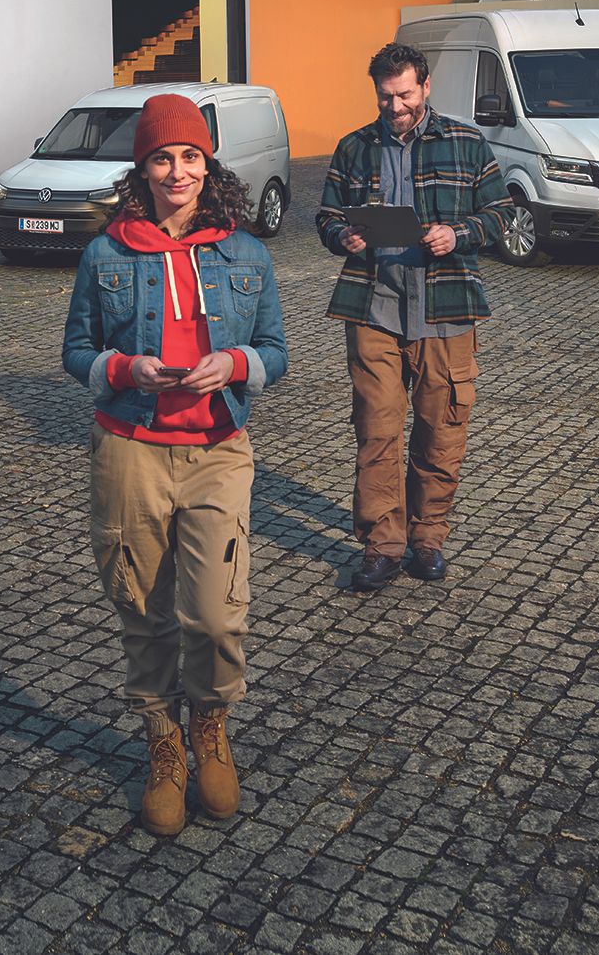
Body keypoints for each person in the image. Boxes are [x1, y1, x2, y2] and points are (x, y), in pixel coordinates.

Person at [62, 93, 287, 837]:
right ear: (143, 169)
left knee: (218, 613)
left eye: (190, 156)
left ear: (206, 164)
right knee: (142, 608)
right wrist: (125, 369)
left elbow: (278, 354)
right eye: (162, 157)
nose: (177, 170)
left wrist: (234, 361)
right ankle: (162, 739)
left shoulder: (245, 251)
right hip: (128, 449)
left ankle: (210, 725)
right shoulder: (107, 252)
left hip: (218, 449)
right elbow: (76, 352)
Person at [316, 44, 512, 592]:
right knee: (376, 432)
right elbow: (327, 215)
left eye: (404, 94)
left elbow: (502, 212)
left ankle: (427, 540)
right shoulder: (354, 147)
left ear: (425, 87)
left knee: (440, 433)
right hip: (372, 307)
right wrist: (343, 236)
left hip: (446, 310)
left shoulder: (468, 143)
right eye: (385, 96)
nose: (395, 106)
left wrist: (461, 234)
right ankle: (382, 545)